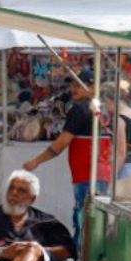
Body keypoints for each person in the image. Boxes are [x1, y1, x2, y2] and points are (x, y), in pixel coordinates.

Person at [24, 70, 111, 246]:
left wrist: (36, 161)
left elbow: (62, 142)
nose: (74, 89)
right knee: (95, 217)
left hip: (85, 173)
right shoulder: (105, 109)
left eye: (80, 85)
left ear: (94, 87)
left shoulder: (79, 110)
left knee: (83, 216)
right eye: (73, 85)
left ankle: (81, 256)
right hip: (103, 172)